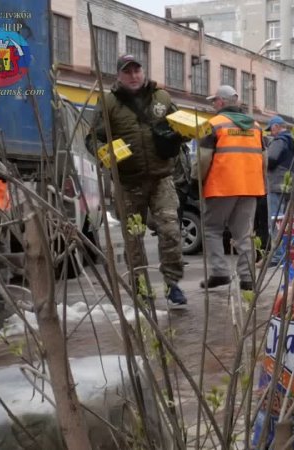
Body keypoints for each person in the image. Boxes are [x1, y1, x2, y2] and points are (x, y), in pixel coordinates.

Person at [91, 54, 187, 306]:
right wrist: (104, 152)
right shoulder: (109, 103)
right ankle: (141, 287)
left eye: (137, 70)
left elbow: (180, 126)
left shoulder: (162, 99)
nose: (133, 76)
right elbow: (93, 138)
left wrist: (181, 135)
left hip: (161, 178)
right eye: (127, 72)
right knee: (134, 237)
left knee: (170, 229)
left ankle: (173, 283)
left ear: (143, 71)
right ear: (119, 76)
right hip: (128, 181)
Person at [195, 85, 265, 291]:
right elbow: (265, 159)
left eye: (214, 100)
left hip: (222, 186)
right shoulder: (256, 126)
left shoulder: (214, 124)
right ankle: (247, 278)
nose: (213, 104)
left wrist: (196, 180)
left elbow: (203, 159)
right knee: (244, 234)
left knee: (211, 229)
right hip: (250, 187)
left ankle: (219, 272)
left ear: (222, 102)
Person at [264, 115, 294, 239]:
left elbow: (271, 159)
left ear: (276, 127)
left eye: (271, 130)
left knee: (275, 219)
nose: (271, 133)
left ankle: (276, 254)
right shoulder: (292, 140)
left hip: (276, 185)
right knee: (285, 220)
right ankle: (284, 251)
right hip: (288, 185)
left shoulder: (280, 141)